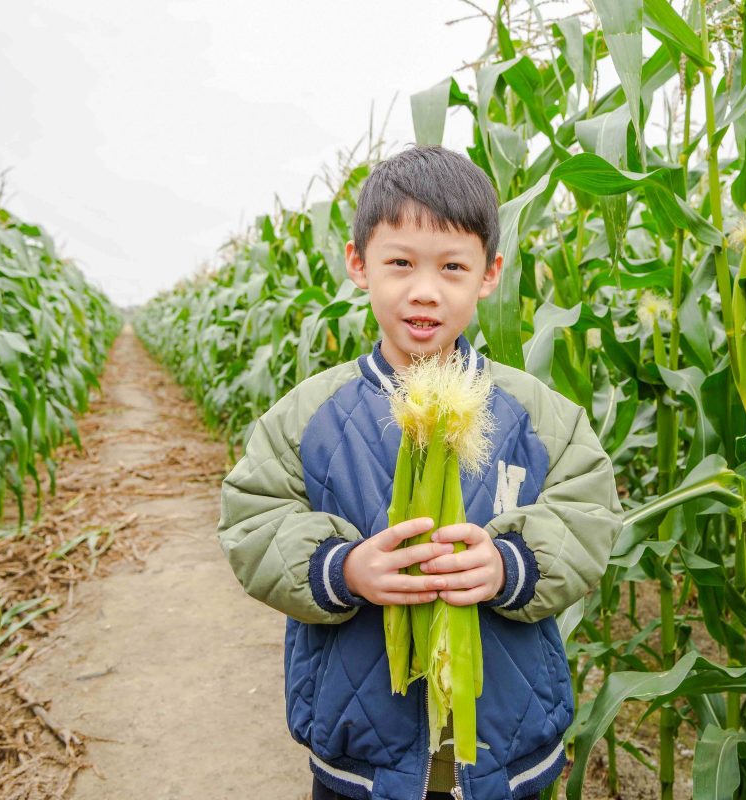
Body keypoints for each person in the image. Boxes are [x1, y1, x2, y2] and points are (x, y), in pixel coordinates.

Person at [215, 144, 621, 800]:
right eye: (399, 263)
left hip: (506, 758)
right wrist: (342, 569)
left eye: (452, 267)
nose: (424, 291)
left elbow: (589, 514)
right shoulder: (311, 415)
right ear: (358, 264)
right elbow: (251, 519)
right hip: (362, 762)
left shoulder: (535, 413)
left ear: (489, 274)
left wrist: (511, 564)